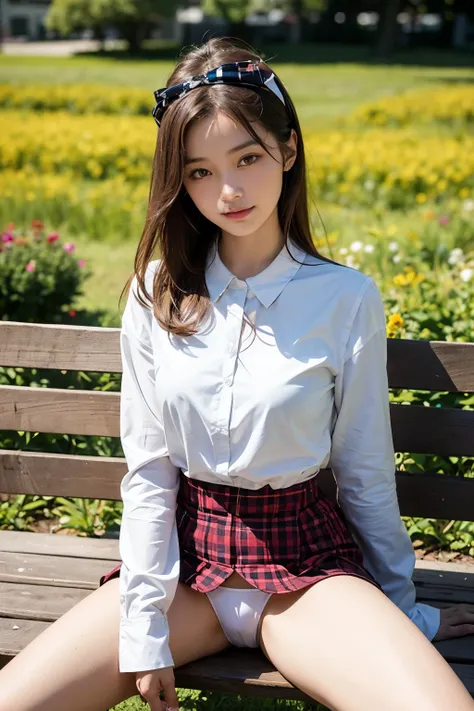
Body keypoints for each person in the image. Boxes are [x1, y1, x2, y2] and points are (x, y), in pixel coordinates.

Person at [1, 36, 474, 711]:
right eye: (198, 171)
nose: (227, 191)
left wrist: (403, 615)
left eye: (247, 157)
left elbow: (365, 467)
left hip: (306, 575)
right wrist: (142, 628)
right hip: (184, 572)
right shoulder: (156, 291)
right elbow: (149, 470)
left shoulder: (345, 298)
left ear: (288, 149)